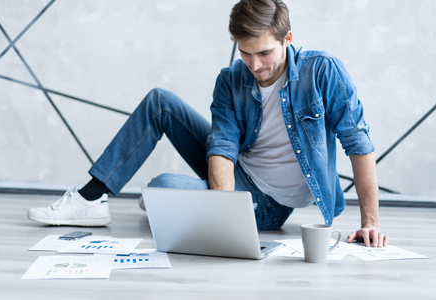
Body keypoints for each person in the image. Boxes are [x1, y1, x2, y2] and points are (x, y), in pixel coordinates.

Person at [27, 0, 389, 247]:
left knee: (162, 185)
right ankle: (91, 198)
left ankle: (177, 201)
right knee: (160, 102)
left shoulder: (323, 71)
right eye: (245, 53)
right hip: (237, 174)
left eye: (264, 53)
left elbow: (358, 143)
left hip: (271, 201)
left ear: (287, 39)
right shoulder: (231, 79)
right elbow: (223, 144)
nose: (255, 65)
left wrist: (370, 221)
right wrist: (223, 210)